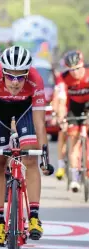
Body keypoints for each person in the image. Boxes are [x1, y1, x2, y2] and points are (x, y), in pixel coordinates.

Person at [0, 46, 54, 246]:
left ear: (27, 74)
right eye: (10, 76)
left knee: (31, 158)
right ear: (3, 72)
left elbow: (39, 124)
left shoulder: (35, 80)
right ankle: (0, 222)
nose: (15, 82)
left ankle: (34, 217)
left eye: (21, 77)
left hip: (24, 110)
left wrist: (45, 154)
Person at [56, 50, 89, 192]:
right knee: (73, 140)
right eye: (71, 70)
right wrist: (62, 117)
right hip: (73, 109)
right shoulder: (63, 78)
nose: (75, 72)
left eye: (77, 68)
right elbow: (61, 100)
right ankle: (74, 176)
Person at [52, 72, 68, 180]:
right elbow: (57, 96)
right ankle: (61, 165)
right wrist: (55, 114)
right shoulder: (62, 78)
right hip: (65, 107)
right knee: (62, 134)